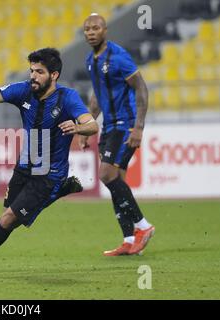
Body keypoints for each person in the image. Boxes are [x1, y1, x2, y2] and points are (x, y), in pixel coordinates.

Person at [0, 48, 99, 277]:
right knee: (9, 218)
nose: (33, 76)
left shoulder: (67, 97)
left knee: (7, 219)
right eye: (31, 70)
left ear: (54, 75)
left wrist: (78, 127)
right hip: (24, 167)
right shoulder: (24, 90)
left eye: (39, 72)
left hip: (49, 173)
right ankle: (62, 190)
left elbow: (92, 125)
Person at [81, 14, 155, 256]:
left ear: (105, 30)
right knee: (117, 182)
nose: (91, 32)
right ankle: (129, 239)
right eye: (87, 29)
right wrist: (87, 126)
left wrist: (139, 127)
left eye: (96, 28)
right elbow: (96, 96)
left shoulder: (118, 57)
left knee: (106, 174)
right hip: (109, 126)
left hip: (125, 124)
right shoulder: (90, 60)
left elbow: (141, 88)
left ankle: (143, 227)